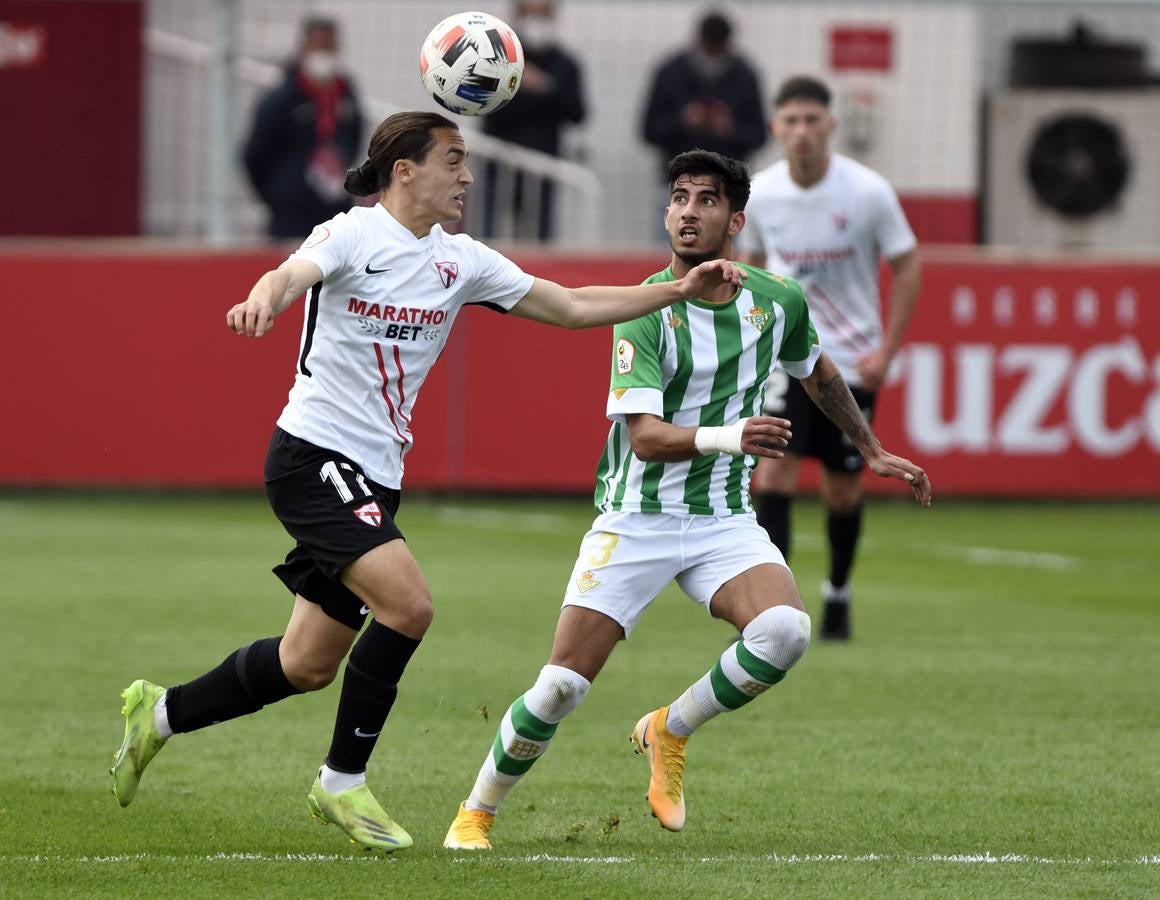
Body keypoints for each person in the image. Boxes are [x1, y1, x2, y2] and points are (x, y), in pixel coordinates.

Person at [108, 112, 745, 854]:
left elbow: (569, 307)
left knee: (305, 664)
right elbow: (290, 274)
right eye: (453, 161)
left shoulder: (461, 260)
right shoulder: (352, 234)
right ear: (404, 171)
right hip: (314, 457)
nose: (467, 176)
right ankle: (341, 782)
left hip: (376, 477)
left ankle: (157, 715)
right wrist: (265, 298)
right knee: (409, 607)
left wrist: (676, 292)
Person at [442, 150, 931, 850]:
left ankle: (670, 727)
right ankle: (476, 812)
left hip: (721, 522)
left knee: (786, 632)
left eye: (706, 200)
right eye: (678, 197)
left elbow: (816, 370)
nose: (687, 211)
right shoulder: (645, 311)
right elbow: (644, 439)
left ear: (736, 220)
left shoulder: (776, 300)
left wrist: (871, 444)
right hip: (635, 519)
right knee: (560, 688)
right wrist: (734, 436)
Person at [738, 75, 922, 641]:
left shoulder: (867, 191)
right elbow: (750, 269)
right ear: (776, 127)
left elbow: (908, 263)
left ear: (830, 126)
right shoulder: (763, 192)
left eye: (812, 120)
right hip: (784, 360)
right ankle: (772, 612)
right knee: (774, 472)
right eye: (790, 121)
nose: (802, 132)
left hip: (847, 363)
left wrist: (887, 348)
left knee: (843, 488)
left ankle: (838, 594)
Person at [242, 17, 364, 239]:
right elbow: (254, 154)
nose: (324, 55)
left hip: (334, 211)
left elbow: (354, 138)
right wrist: (280, 196)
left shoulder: (345, 94)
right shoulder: (281, 98)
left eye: (329, 48)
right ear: (303, 49)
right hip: (291, 218)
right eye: (318, 47)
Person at [481, 0, 586, 241]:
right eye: (530, 13)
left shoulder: (566, 64)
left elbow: (577, 112)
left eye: (542, 14)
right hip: (499, 158)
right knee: (489, 226)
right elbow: (487, 107)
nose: (536, 21)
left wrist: (545, 88)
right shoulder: (498, 60)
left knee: (540, 230)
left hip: (545, 163)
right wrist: (517, 86)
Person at [640, 11, 767, 180]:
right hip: (679, 182)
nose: (712, 56)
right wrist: (683, 121)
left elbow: (759, 136)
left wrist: (729, 129)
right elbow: (649, 131)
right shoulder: (670, 72)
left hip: (727, 185)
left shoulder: (745, 76)